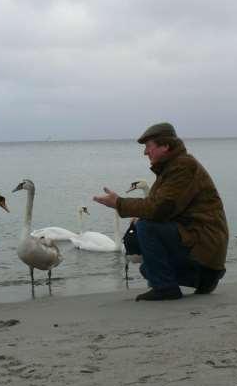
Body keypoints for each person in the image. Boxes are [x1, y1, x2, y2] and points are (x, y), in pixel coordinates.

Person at [93, 122, 228, 301]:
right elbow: (162, 206)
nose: (145, 152)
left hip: (204, 244)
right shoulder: (172, 168)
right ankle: (202, 278)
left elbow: (159, 209)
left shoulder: (183, 167)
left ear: (165, 146)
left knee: (146, 227)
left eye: (149, 146)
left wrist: (119, 203)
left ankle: (167, 288)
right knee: (146, 268)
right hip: (200, 243)